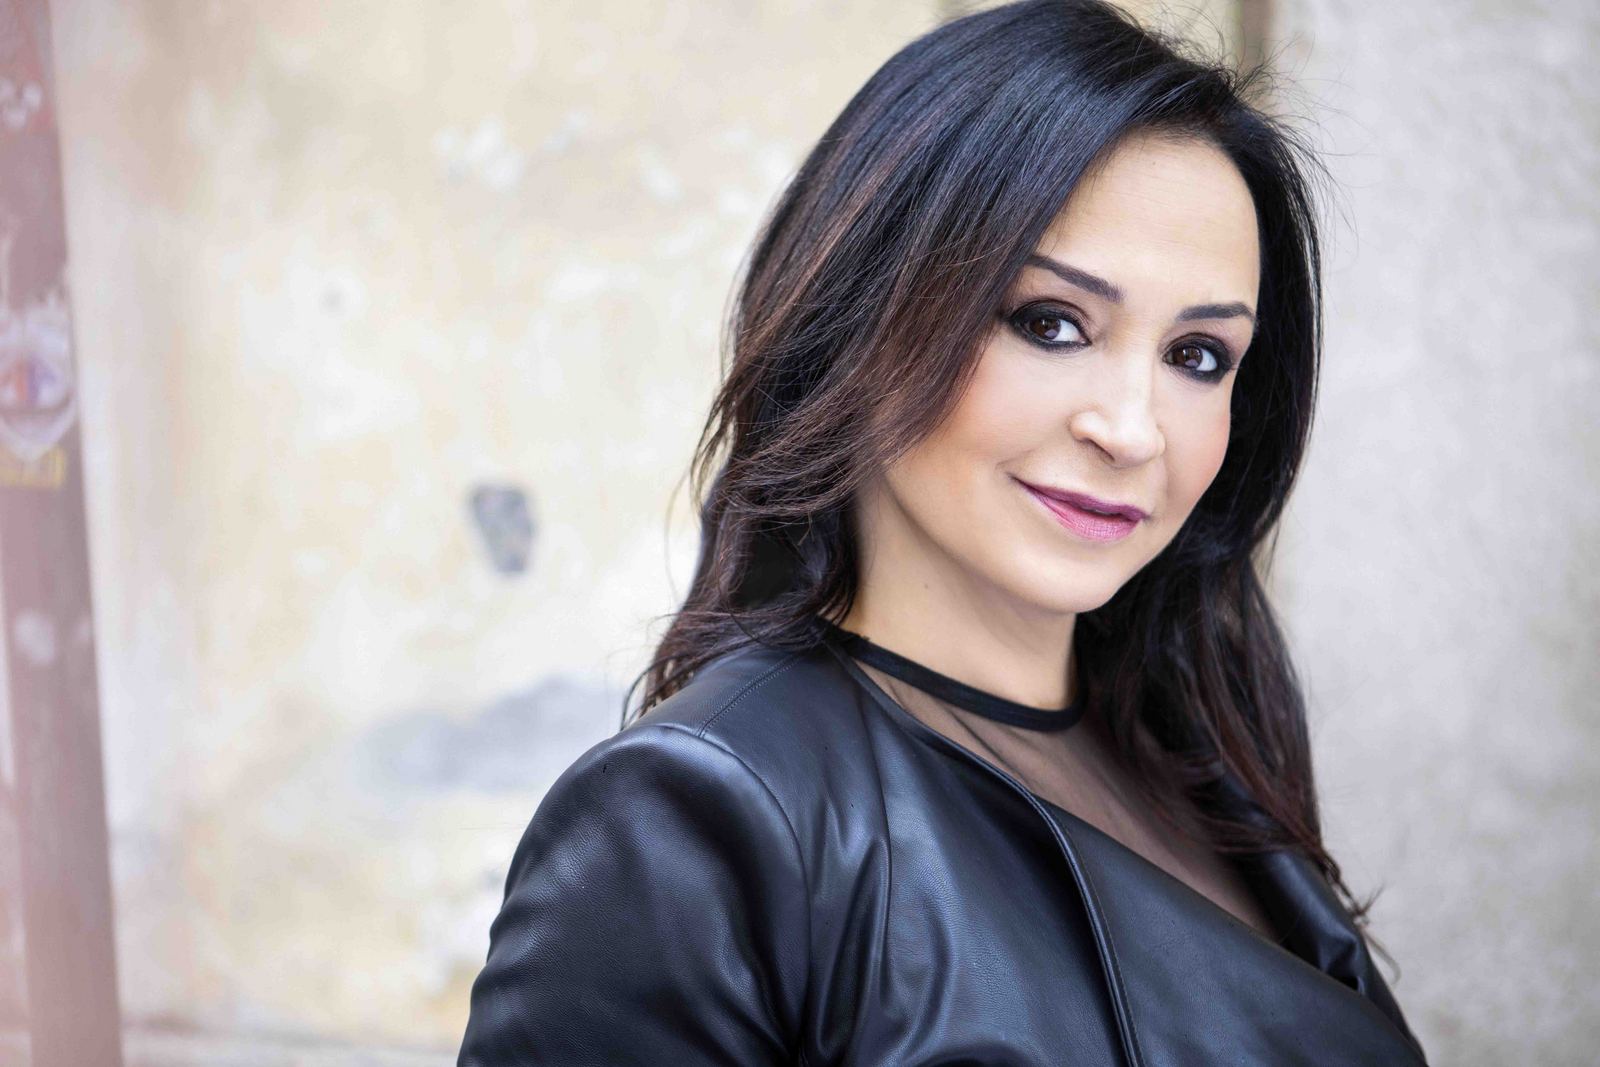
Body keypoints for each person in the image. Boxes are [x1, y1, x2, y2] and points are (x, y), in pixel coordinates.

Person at [457, 1, 1430, 1063]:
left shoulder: (1202, 752)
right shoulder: (695, 821)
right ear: (864, 314)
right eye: (1050, 323)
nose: (1131, 430)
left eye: (1197, 356)